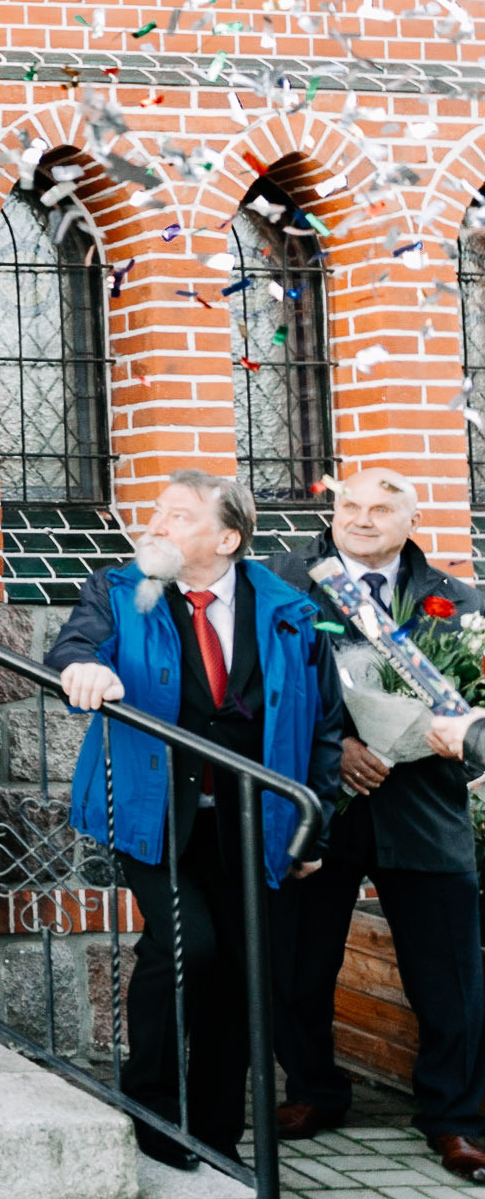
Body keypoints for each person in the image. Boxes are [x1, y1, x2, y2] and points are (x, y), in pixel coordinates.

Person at [51, 469, 342, 1170]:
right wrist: (84, 671)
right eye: (156, 512)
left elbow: (324, 724)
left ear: (228, 537)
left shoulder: (289, 607)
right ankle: (150, 1108)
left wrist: (314, 829)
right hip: (156, 814)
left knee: (243, 969)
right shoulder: (121, 592)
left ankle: (214, 1133)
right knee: (189, 949)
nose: (155, 525)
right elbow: (72, 648)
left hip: (256, 820)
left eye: (177, 516)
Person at [264, 467, 485, 1179]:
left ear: (409, 520)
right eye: (350, 505)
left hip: (422, 806)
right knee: (300, 962)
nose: (362, 518)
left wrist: (420, 738)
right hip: (319, 805)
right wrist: (343, 750)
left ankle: (454, 1117)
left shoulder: (460, 602)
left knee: (449, 973)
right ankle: (314, 1092)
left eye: (382, 508)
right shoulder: (282, 583)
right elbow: (261, 689)